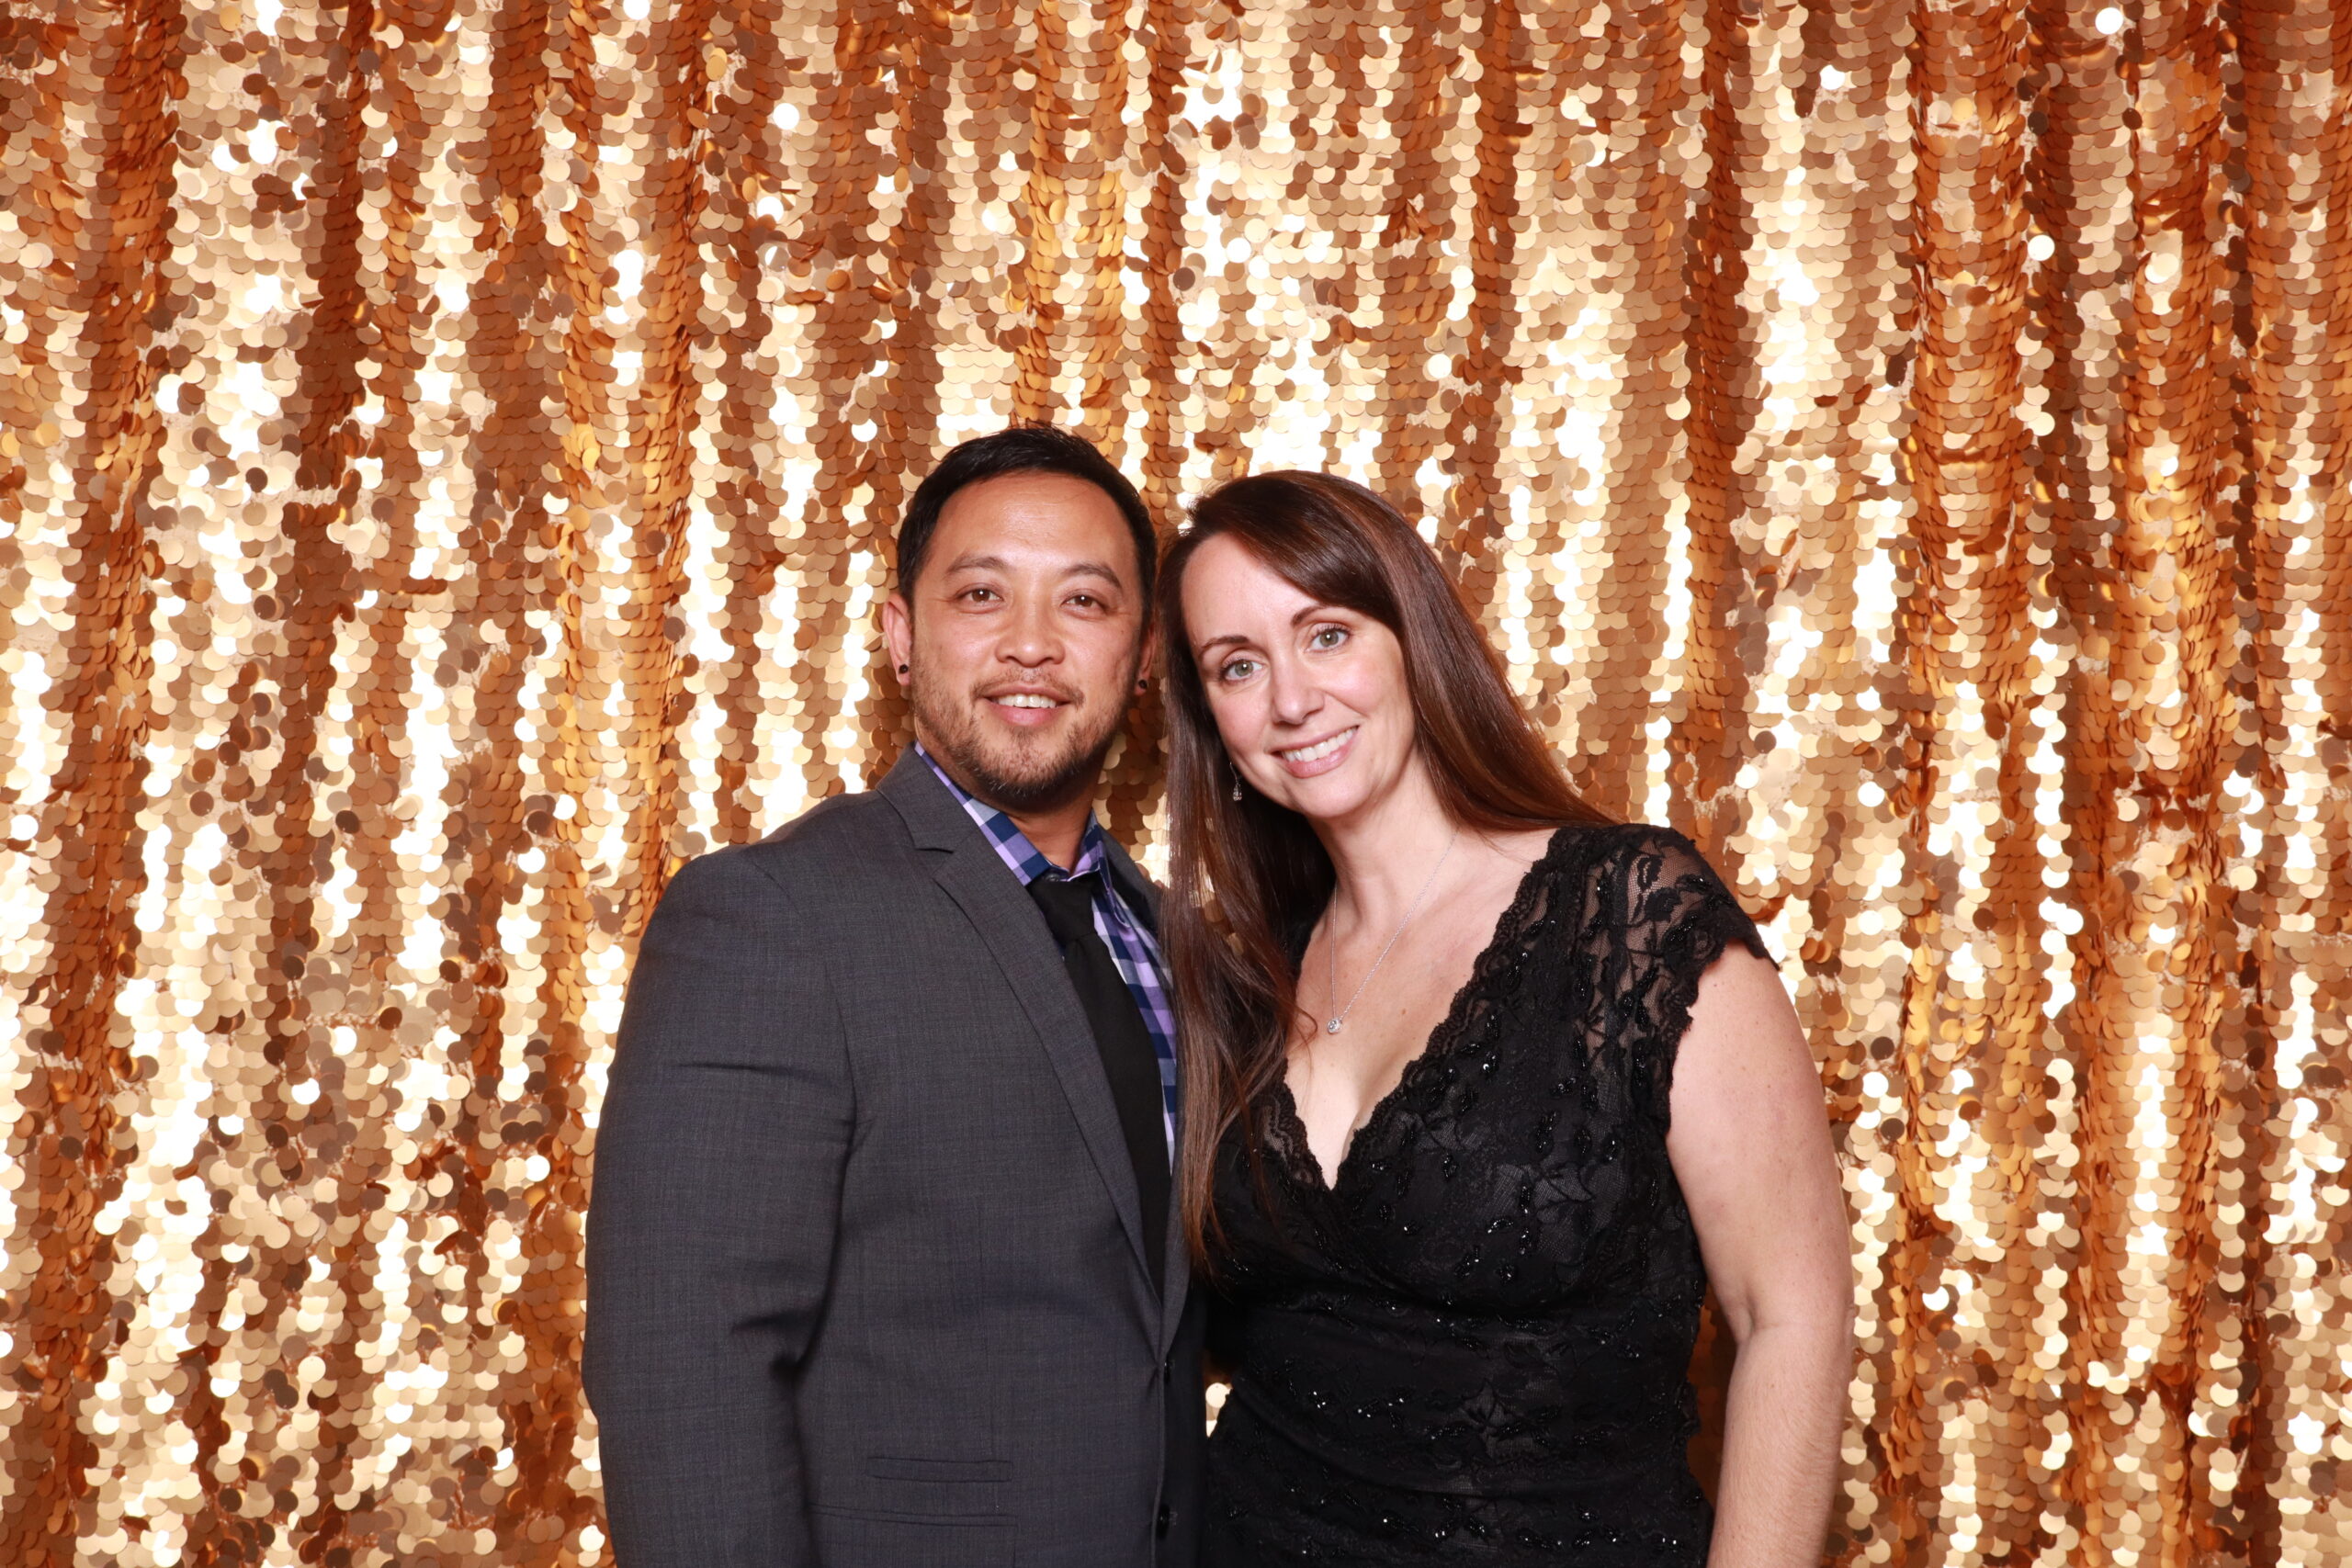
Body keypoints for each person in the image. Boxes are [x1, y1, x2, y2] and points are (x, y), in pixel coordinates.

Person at [1157, 471, 1853, 1566]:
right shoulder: (1238, 972)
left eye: (1327, 635)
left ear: (1412, 643)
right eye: (1236, 666)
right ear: (1211, 721)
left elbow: (1791, 1318)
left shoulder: (1624, 913)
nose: (1290, 699)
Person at [584, 425, 1204, 1568]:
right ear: (901, 638)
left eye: (1082, 601)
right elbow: (685, 1369)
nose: (1031, 644)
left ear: (1143, 653)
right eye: (980, 594)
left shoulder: (1172, 939)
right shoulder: (771, 915)